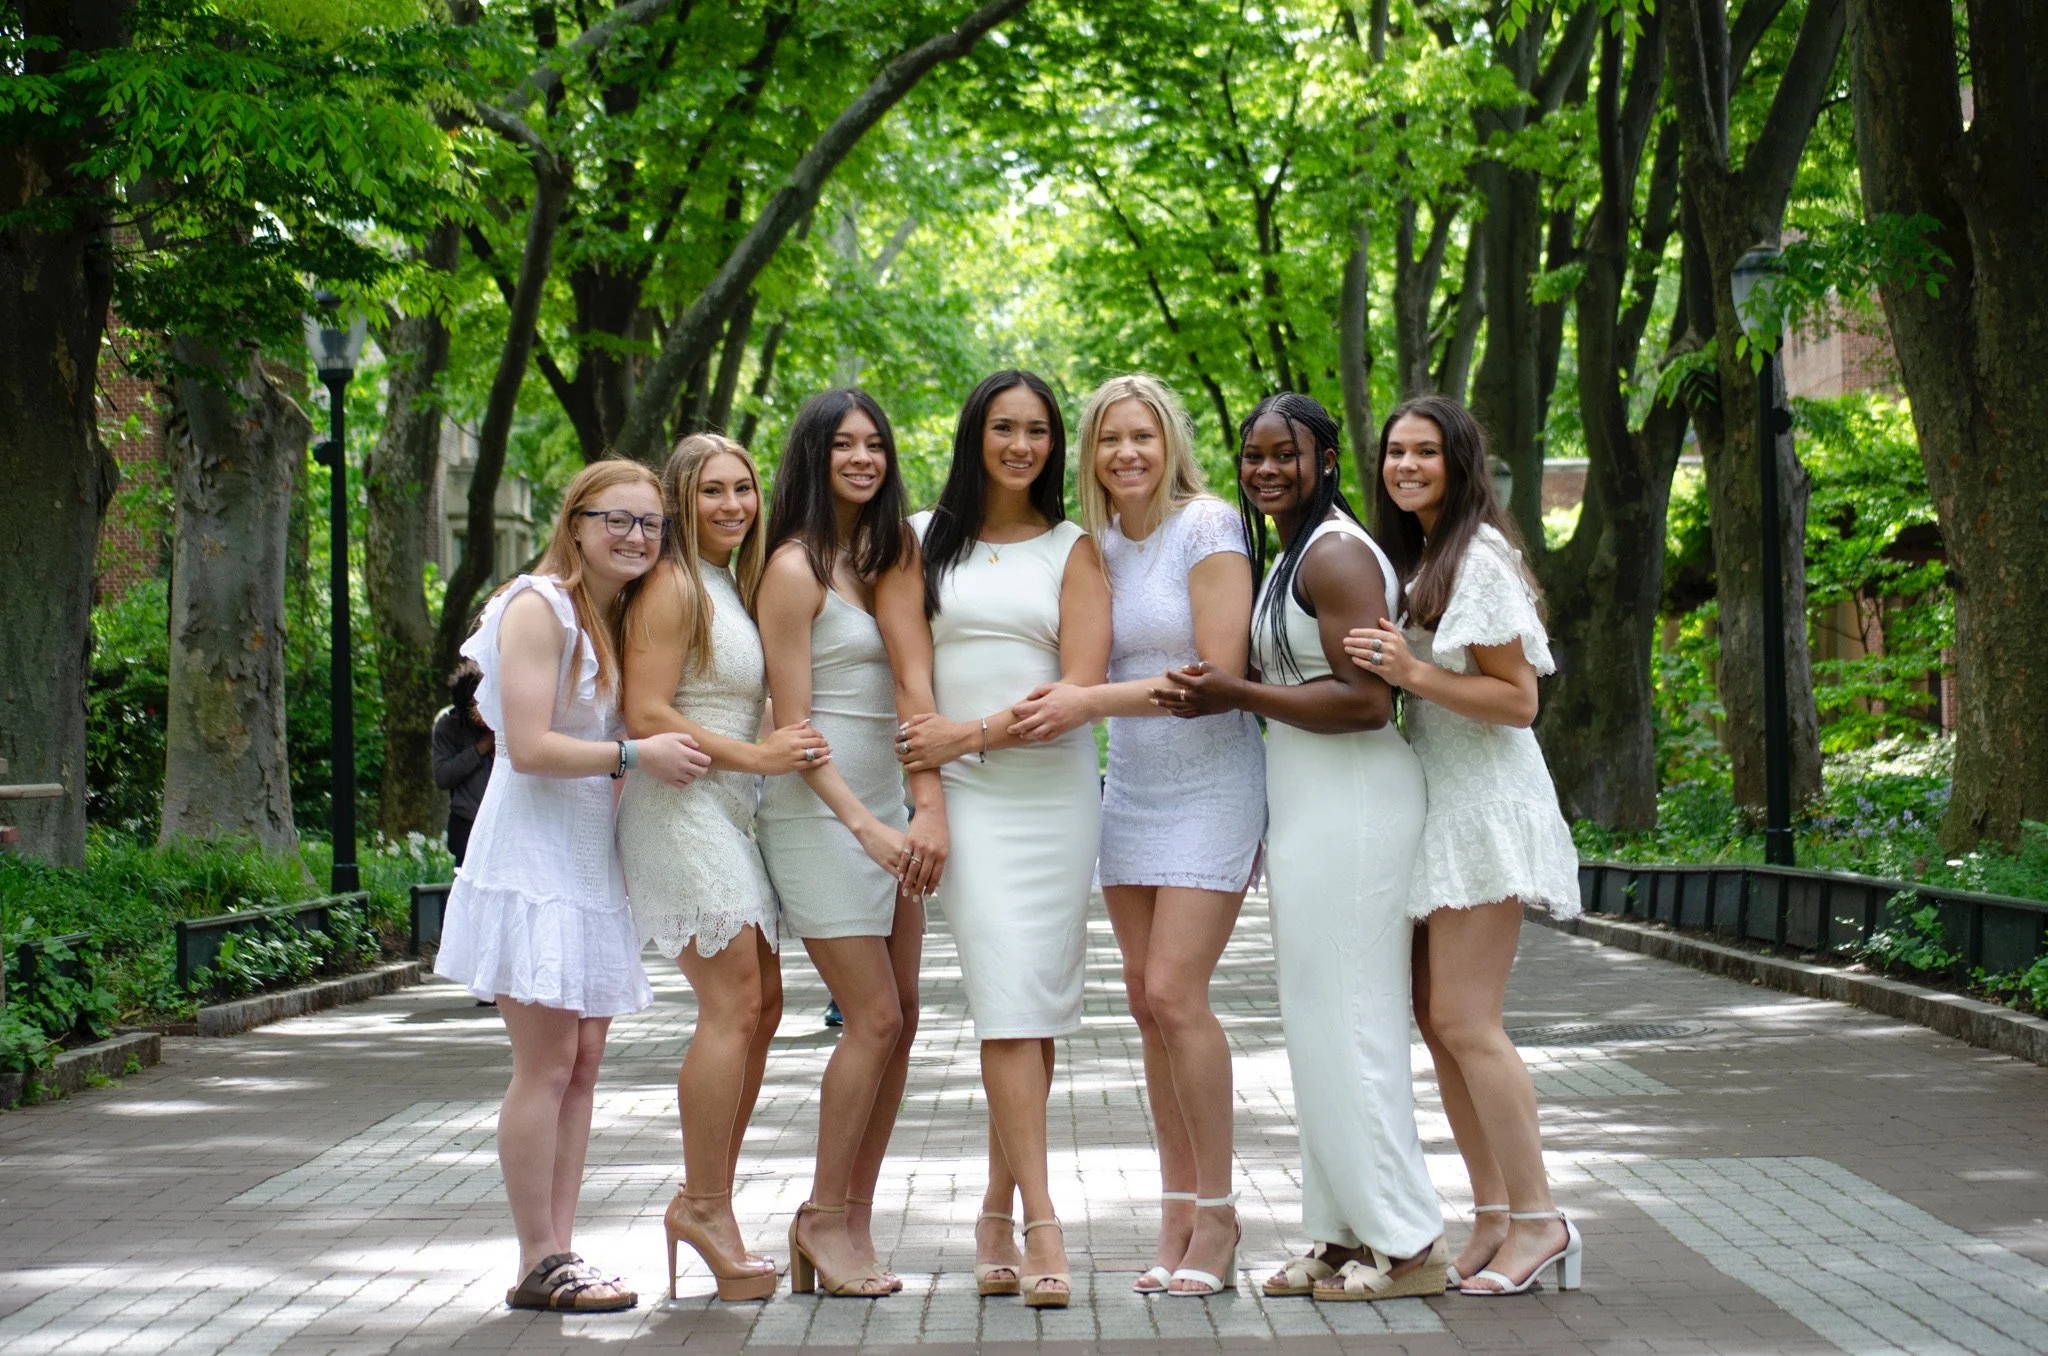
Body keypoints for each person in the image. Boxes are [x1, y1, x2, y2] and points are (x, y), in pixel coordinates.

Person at [1156, 393, 1447, 1304]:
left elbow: (1369, 701)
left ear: (1324, 458)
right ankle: (1339, 1232)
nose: (1266, 469)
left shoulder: (1336, 555)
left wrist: (1238, 693)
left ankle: (1409, 1244)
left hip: (1356, 797)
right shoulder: (1293, 554)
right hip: (1311, 801)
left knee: (1356, 1019)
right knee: (1319, 1023)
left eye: (1287, 454)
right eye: (1253, 456)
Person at [433, 459, 712, 1313]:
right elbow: (525, 744)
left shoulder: (618, 611)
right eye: (617, 520)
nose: (635, 537)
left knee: (584, 1062)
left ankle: (559, 1251)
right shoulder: (537, 605)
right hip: (532, 858)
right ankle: (535, 1257)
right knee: (547, 1064)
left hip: (589, 855)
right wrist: (636, 754)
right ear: (577, 522)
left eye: (651, 524)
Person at [1009, 374, 1262, 1296]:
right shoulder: (1100, 545)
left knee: (1175, 993)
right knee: (1146, 1009)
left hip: (1214, 783)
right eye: (1110, 438)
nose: (1126, 453)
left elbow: (1215, 674)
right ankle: (1177, 1214)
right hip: (1133, 793)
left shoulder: (1209, 526)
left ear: (1170, 444)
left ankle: (1223, 1218)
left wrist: (1085, 702)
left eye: (1142, 437)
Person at [877, 370, 1110, 1310]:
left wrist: (970, 735)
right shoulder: (920, 539)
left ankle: (993, 1211)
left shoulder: (1075, 549)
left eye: (1040, 432)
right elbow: (909, 685)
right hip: (963, 803)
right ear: (976, 433)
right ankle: (1044, 1222)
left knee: (1034, 1003)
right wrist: (927, 801)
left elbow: (1075, 696)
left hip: (1051, 795)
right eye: (1006, 428)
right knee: (1009, 996)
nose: (1023, 445)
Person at [1342, 395, 1583, 1297]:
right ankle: (1491, 1215)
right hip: (1437, 803)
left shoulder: (1477, 555)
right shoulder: (1420, 555)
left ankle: (1540, 1219)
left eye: (1425, 453)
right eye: (1396, 453)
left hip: (1484, 804)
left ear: (1459, 461)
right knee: (1440, 1023)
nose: (1406, 466)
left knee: (1468, 1023)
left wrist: (1413, 674)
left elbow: (1517, 701)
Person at [617, 433, 828, 1303]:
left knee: (765, 1005)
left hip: (725, 809)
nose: (734, 506)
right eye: (712, 493)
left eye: (743, 489)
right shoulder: (671, 583)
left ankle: (708, 1202)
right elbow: (646, 709)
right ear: (678, 499)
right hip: (679, 810)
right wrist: (759, 757)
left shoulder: (725, 585)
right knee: (735, 1004)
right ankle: (702, 1206)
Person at [755, 389, 936, 1298]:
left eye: (875, 443)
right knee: (871, 1019)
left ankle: (849, 1224)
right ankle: (822, 1217)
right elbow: (792, 729)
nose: (863, 458)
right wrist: (864, 823)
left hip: (885, 812)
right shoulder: (792, 569)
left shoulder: (883, 555)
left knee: (903, 1023)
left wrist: (907, 809)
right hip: (820, 815)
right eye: (844, 445)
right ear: (814, 457)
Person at [431, 661, 494, 867]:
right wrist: (480, 749)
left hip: (502, 820)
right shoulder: (449, 727)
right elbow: (443, 776)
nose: (482, 717)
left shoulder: (505, 722)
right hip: (467, 822)